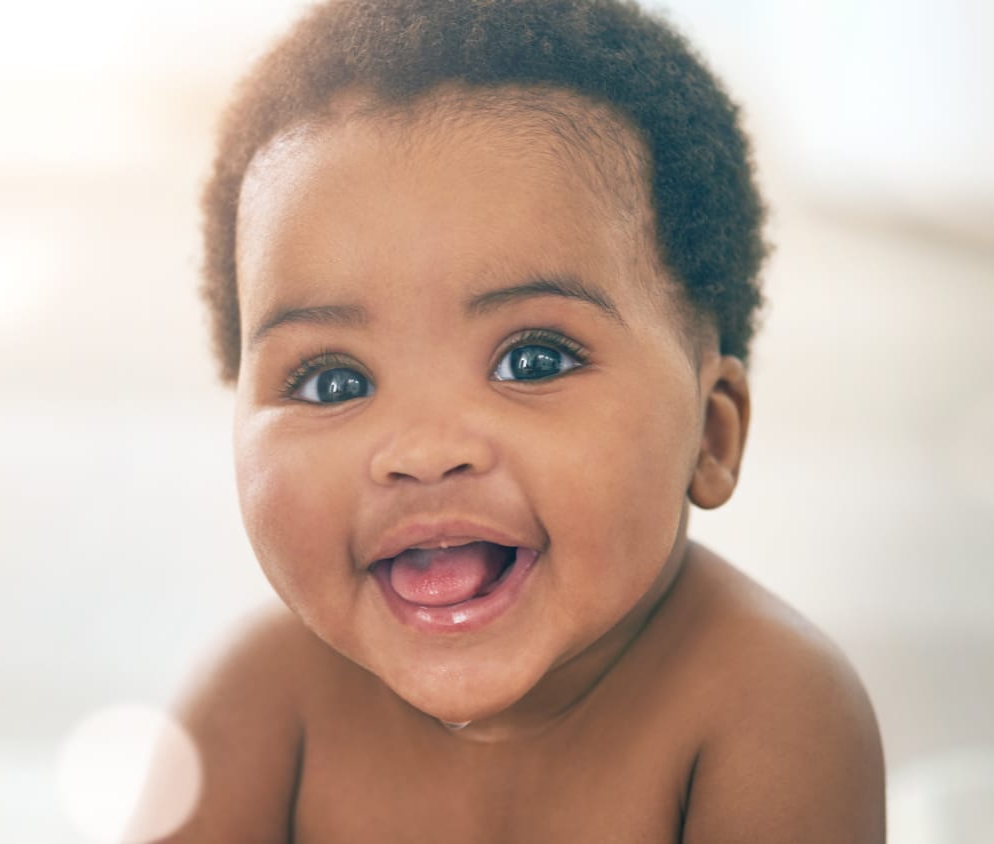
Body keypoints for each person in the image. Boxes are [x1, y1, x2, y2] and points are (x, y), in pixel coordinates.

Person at [144, 0, 884, 840]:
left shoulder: (769, 708)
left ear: (711, 436)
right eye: (332, 381)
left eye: (532, 361)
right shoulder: (259, 699)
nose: (423, 451)